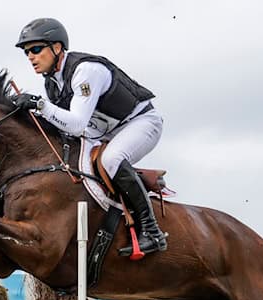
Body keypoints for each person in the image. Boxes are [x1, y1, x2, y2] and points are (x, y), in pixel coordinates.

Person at [12, 18, 168, 258]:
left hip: (141, 123)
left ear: (56, 48)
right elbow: (64, 126)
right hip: (103, 133)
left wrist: (39, 105)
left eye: (35, 49)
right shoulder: (52, 83)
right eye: (27, 53)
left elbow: (75, 124)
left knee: (111, 160)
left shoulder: (85, 71)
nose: (31, 57)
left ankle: (152, 231)